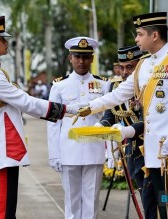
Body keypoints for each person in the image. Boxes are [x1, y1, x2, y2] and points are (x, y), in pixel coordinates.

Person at [70, 12, 168, 219]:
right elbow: (119, 93)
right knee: (162, 210)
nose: (136, 39)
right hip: (153, 152)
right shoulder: (143, 65)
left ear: (155, 35)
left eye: (140, 34)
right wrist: (90, 107)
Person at [0, 16, 78, 218]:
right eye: (1, 39)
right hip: (2, 148)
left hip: (1, 146)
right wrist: (67, 110)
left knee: (4, 205)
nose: (6, 42)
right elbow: (26, 102)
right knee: (1, 209)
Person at [47, 36, 110, 219]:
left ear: (92, 58)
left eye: (85, 57)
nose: (81, 61)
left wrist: (110, 152)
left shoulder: (103, 85)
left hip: (94, 149)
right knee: (71, 202)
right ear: (70, 58)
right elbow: (53, 123)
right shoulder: (59, 86)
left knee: (91, 202)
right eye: (77, 57)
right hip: (69, 150)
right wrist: (54, 154)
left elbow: (108, 118)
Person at [97, 45, 156, 218]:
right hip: (134, 153)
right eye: (121, 67)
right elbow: (110, 114)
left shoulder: (152, 84)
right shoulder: (116, 86)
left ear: (140, 65)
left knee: (163, 201)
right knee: (147, 202)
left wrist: (127, 130)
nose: (125, 72)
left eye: (130, 67)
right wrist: (102, 126)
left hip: (156, 149)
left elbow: (151, 121)